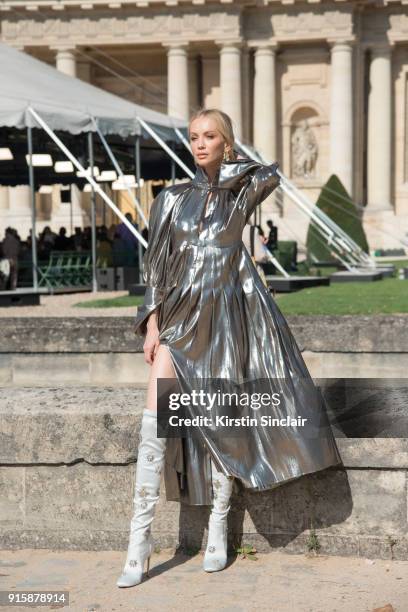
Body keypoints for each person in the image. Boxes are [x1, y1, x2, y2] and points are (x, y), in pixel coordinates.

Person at [117, 108, 342, 587]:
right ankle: (138, 541)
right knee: (156, 423)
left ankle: (219, 522)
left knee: (222, 422)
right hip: (179, 321)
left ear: (226, 142)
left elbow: (271, 173)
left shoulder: (241, 193)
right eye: (194, 138)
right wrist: (153, 322)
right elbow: (156, 265)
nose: (199, 145)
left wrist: (232, 163)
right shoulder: (171, 198)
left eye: (210, 137)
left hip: (226, 322)